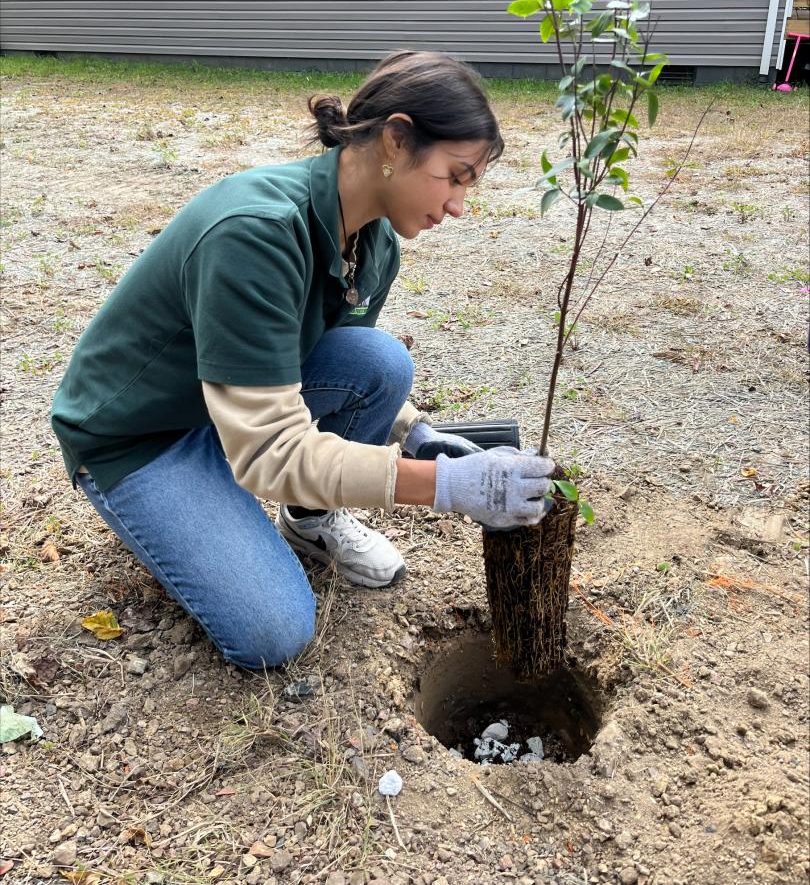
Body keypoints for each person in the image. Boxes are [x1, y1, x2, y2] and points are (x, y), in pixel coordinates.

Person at [51, 50, 555, 671]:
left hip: (231, 406)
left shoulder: (372, 243)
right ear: (395, 141)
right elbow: (269, 452)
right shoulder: (255, 233)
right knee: (274, 629)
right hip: (145, 434)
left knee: (378, 362)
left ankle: (309, 522)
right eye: (455, 175)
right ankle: (172, 503)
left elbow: (325, 364)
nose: (457, 206)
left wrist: (417, 437)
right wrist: (445, 486)